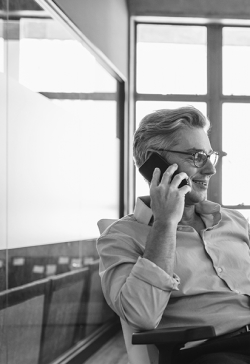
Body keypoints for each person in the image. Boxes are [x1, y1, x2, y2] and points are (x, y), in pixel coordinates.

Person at [97, 106, 250, 364]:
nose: (210, 170)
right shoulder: (120, 237)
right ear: (154, 164)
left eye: (209, 157)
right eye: (196, 156)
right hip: (210, 353)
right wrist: (165, 223)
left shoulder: (233, 221)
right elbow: (142, 314)